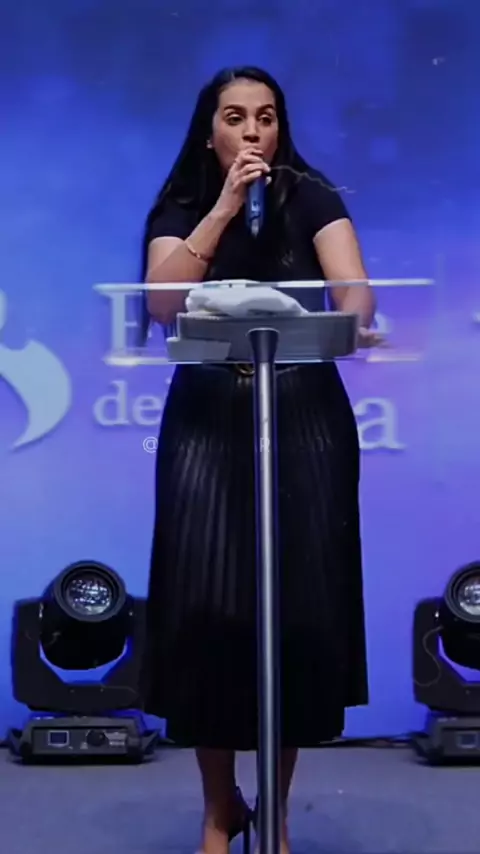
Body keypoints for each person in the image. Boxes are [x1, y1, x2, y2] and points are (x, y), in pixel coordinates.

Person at [139, 66, 376, 854]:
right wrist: (224, 208)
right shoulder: (182, 203)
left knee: (297, 612)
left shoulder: (312, 195)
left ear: (280, 128)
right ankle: (220, 809)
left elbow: (354, 295)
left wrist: (357, 319)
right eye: (236, 117)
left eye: (266, 117)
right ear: (210, 130)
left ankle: (273, 813)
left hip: (302, 413)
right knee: (207, 611)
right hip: (208, 418)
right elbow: (162, 303)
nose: (253, 131)